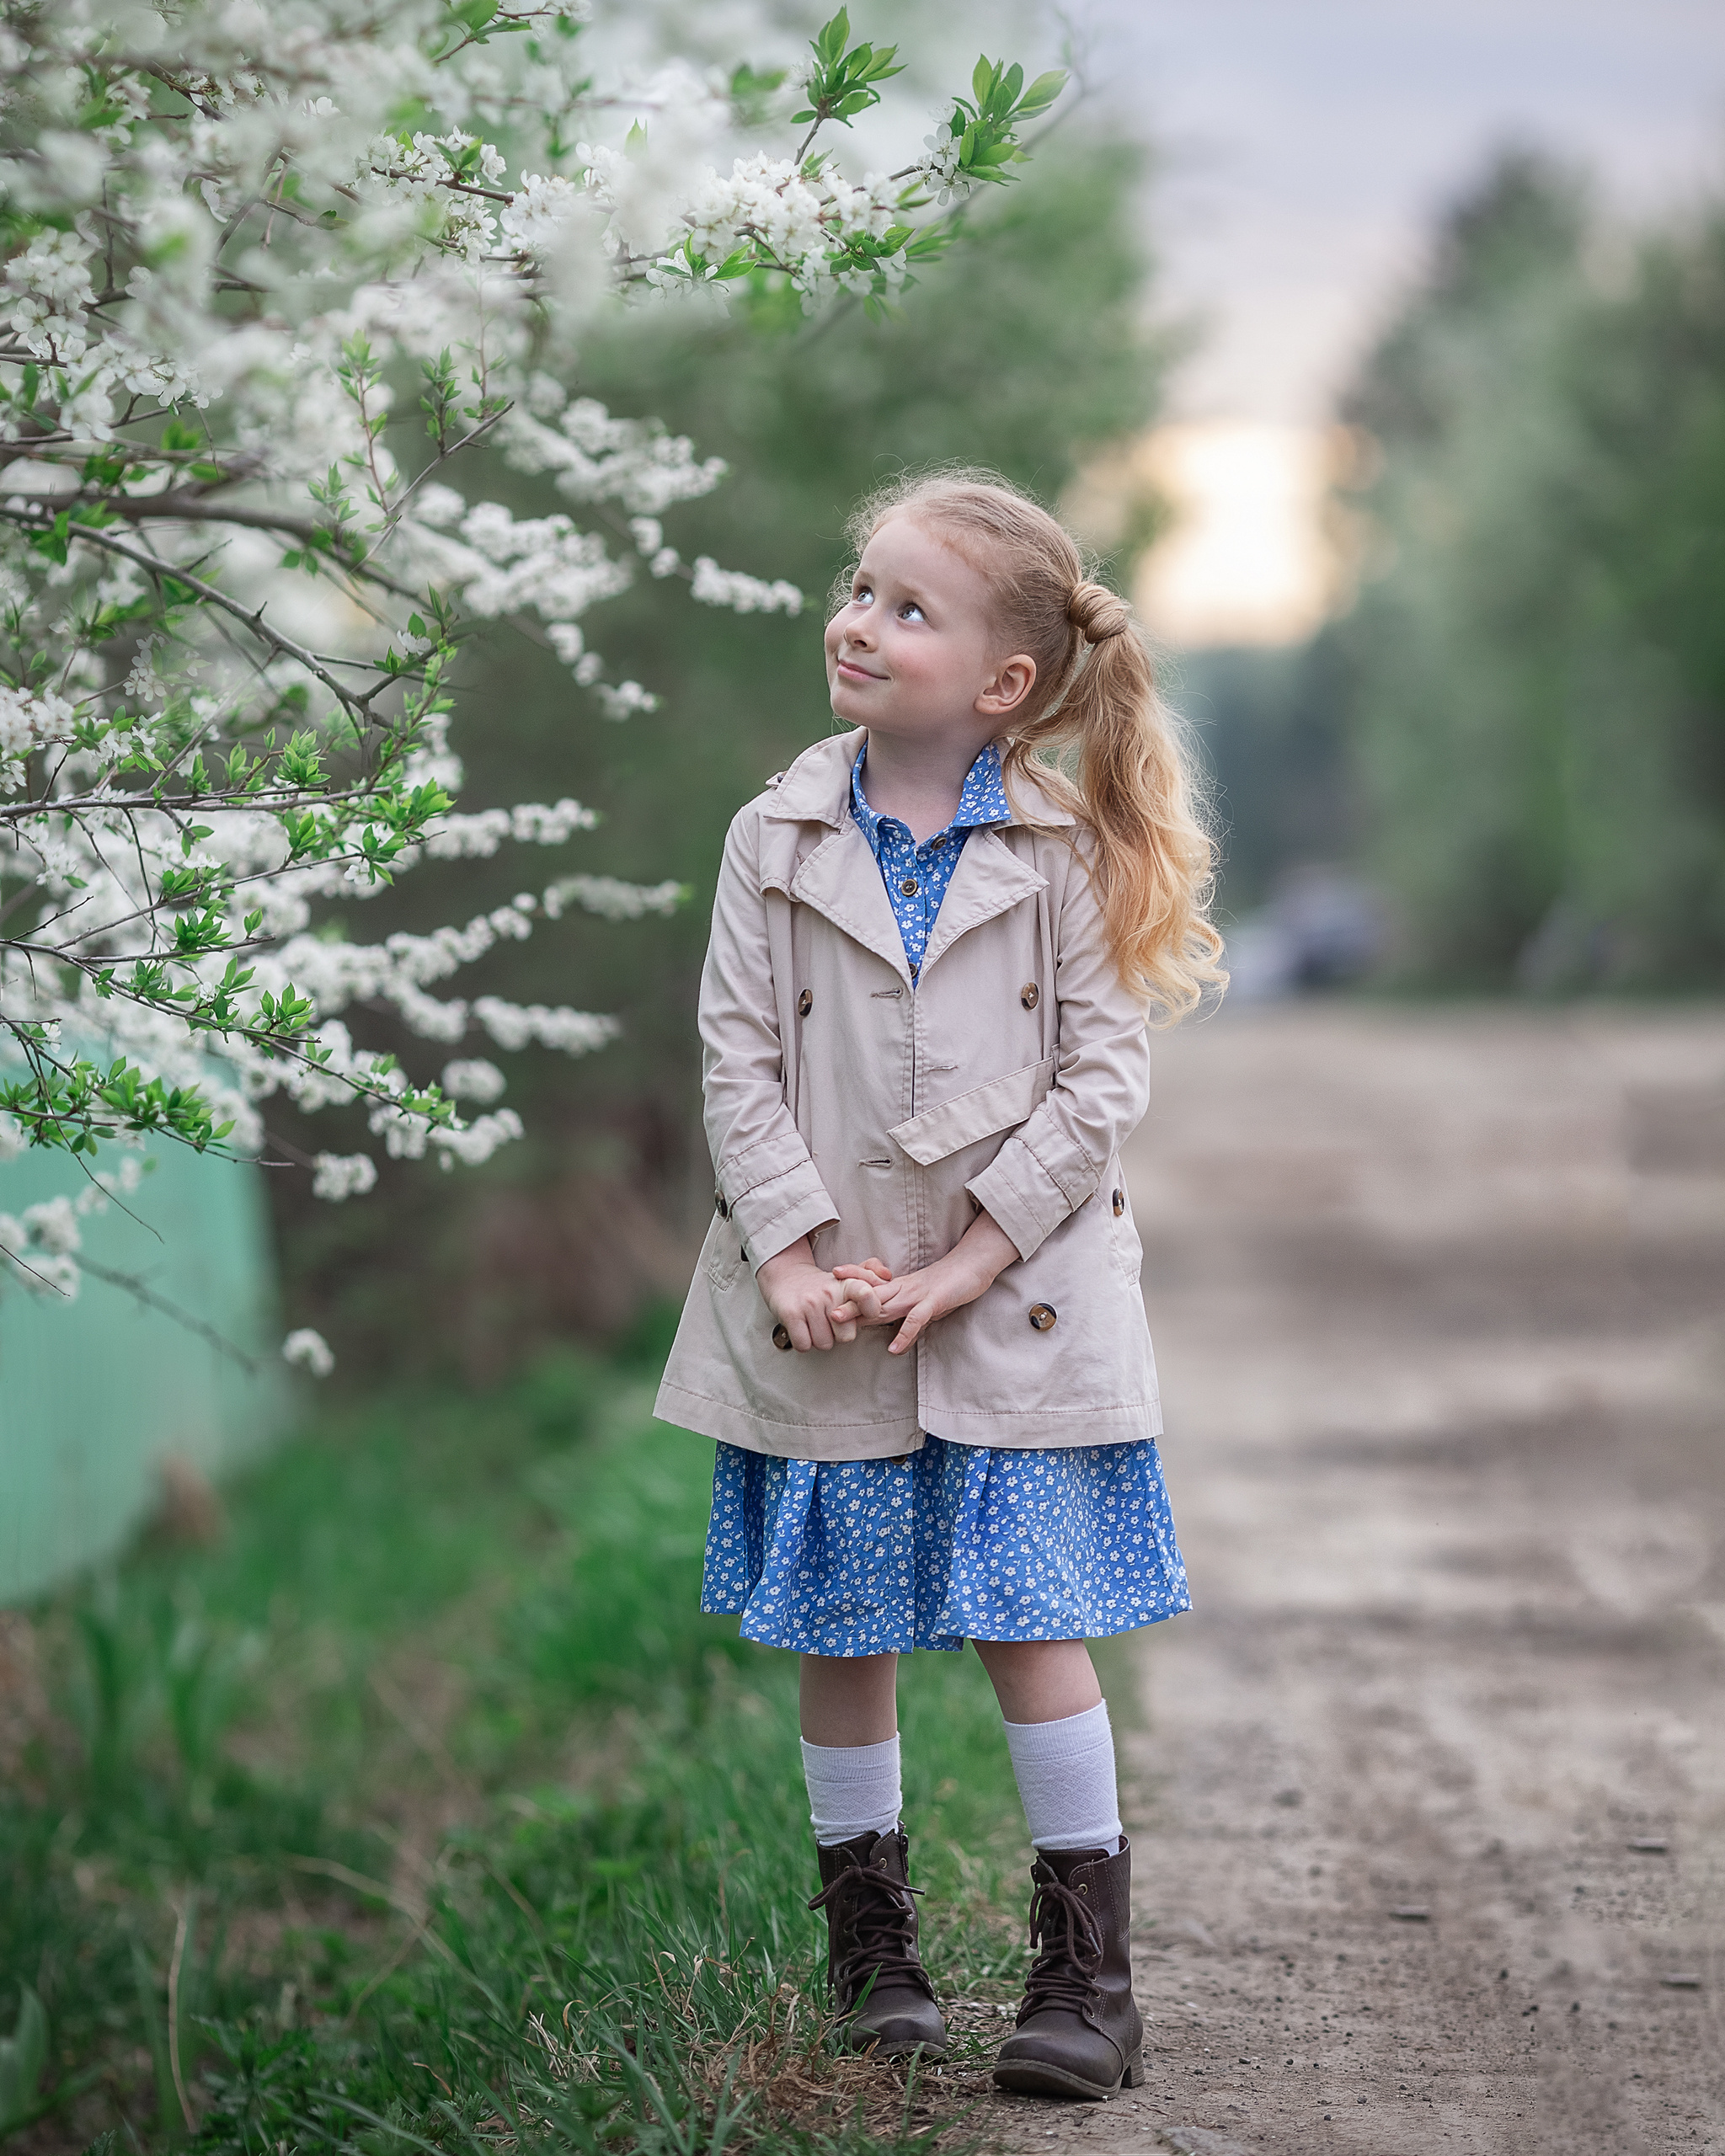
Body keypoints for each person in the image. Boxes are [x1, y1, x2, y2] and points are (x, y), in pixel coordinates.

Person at [654, 469, 1224, 2102]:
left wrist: (974, 1251)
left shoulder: (1063, 850)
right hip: (827, 1299)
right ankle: (871, 1955)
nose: (858, 619)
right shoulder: (772, 837)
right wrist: (787, 1246)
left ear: (1005, 684)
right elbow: (737, 1059)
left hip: (1017, 1299)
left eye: (908, 606)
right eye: (859, 585)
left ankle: (1084, 1973)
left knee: (1032, 1624)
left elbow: (1097, 1082)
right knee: (848, 1631)